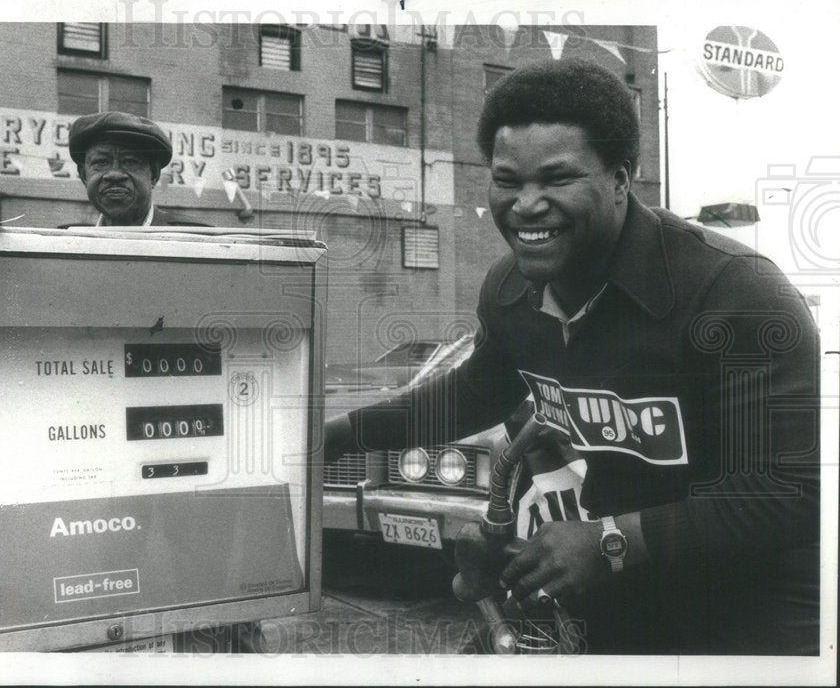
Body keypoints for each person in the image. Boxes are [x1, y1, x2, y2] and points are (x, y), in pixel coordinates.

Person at [324, 58, 820, 655]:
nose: (526, 204)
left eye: (556, 179)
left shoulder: (735, 293)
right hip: (621, 601)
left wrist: (611, 539)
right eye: (508, 180)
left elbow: (790, 493)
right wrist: (337, 434)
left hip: (751, 611)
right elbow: (472, 392)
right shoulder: (511, 290)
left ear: (620, 178)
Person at [67, 110, 207, 226]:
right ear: (84, 175)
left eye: (130, 162)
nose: (115, 175)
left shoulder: (195, 240)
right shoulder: (69, 244)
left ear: (154, 174)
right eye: (102, 162)